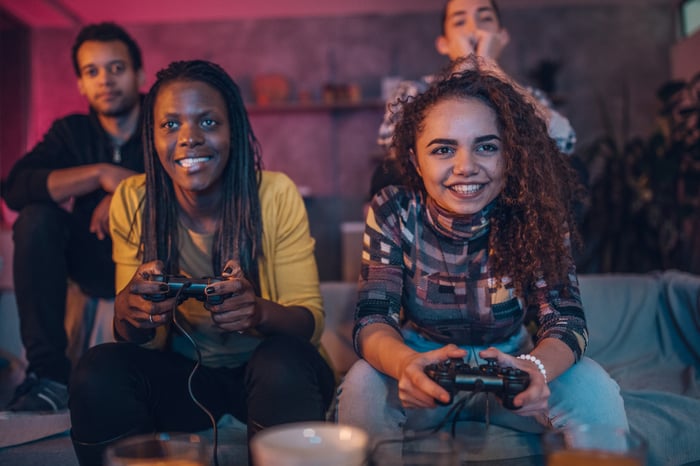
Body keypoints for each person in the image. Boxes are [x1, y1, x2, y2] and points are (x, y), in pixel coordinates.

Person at [336, 58, 628, 460]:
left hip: (515, 363)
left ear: (510, 155)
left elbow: (566, 319)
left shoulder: (537, 210)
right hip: (422, 361)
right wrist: (405, 365)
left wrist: (536, 370)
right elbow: (373, 318)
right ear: (415, 159)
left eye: (486, 146)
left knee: (595, 386)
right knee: (362, 383)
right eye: (443, 149)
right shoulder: (393, 210)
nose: (465, 167)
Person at [68, 60, 335, 465]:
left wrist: (257, 311)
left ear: (235, 131)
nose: (189, 138)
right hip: (184, 380)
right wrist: (130, 313)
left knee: (283, 361)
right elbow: (143, 341)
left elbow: (309, 324)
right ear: (152, 137)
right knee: (97, 369)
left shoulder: (276, 194)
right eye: (170, 125)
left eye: (208, 123)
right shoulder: (132, 200)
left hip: (270, 377)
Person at [1, 22, 145, 412]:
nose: (105, 80)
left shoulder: (162, 121)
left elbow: (195, 182)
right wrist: (100, 174)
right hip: (91, 259)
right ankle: (48, 377)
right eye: (92, 71)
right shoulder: (71, 133)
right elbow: (14, 187)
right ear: (81, 84)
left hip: (153, 260)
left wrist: (129, 193)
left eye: (116, 68)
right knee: (35, 219)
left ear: (139, 74)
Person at [371, 0, 576, 199]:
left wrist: (489, 68)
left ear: (501, 37)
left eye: (485, 18)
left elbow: (564, 144)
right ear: (444, 44)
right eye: (460, 22)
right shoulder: (414, 90)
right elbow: (393, 146)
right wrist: (466, 66)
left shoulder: (528, 94)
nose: (474, 28)